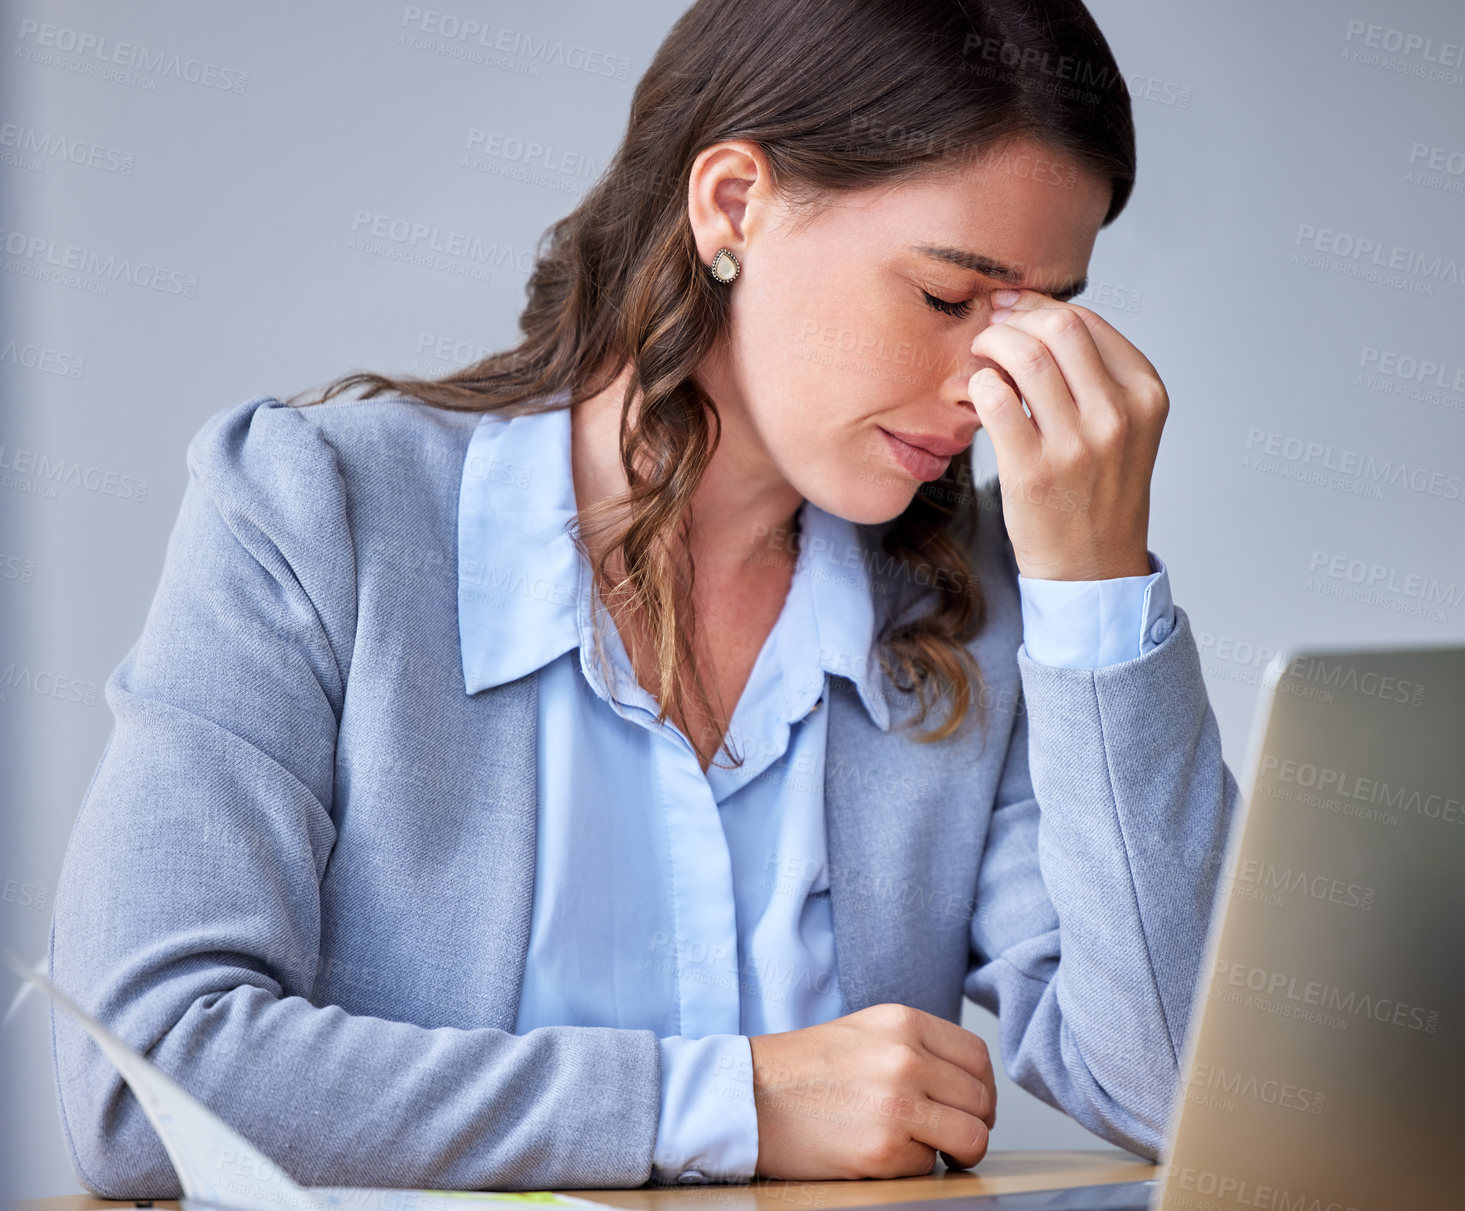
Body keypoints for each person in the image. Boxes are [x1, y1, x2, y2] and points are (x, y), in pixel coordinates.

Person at [48, 0, 1240, 1197]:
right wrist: (725, 1102)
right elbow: (140, 1073)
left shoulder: (970, 596)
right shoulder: (317, 517)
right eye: (945, 299)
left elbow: (1186, 1088)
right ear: (732, 205)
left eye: (1040, 317)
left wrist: (1093, 592)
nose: (990, 388)